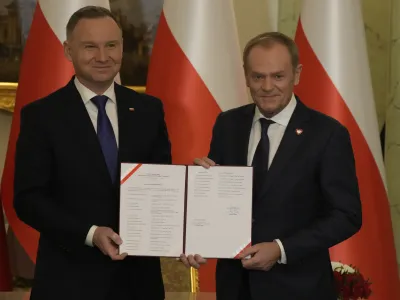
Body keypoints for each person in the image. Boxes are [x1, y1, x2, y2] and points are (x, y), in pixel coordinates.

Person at [180, 32, 362, 300]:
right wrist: (199, 197)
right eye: (258, 77)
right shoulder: (228, 125)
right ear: (246, 76)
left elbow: (347, 215)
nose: (267, 87)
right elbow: (219, 204)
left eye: (278, 76)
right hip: (235, 287)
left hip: (300, 288)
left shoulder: (328, 134)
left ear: (296, 75)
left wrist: (281, 249)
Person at [13, 6, 170, 300]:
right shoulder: (42, 116)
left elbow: (162, 186)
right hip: (68, 282)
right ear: (68, 50)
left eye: (111, 45)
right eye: (90, 47)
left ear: (122, 47)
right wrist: (90, 233)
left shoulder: (148, 110)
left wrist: (197, 186)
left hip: (138, 283)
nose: (102, 56)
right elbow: (28, 199)